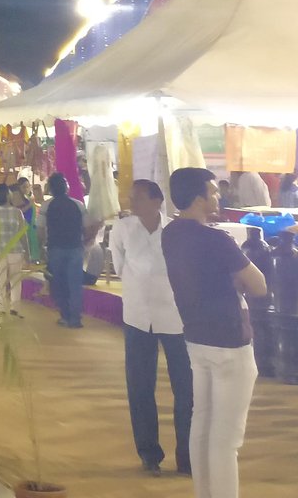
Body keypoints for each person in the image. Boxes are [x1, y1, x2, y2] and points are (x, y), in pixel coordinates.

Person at [162, 168, 265, 498]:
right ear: (198, 198)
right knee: (226, 439)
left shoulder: (171, 234)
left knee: (203, 426)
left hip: (197, 337)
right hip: (229, 341)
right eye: (213, 191)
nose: (218, 196)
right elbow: (259, 284)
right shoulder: (216, 239)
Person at [111, 178, 192, 477]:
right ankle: (148, 453)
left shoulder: (175, 231)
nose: (133, 204)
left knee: (185, 389)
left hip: (174, 317)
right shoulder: (122, 230)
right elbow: (120, 267)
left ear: (158, 201)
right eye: (131, 198)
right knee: (140, 387)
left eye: (140, 198)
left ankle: (187, 456)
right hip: (137, 317)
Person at [44, 172, 86, 328]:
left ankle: (65, 315)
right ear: (66, 187)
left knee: (59, 283)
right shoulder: (78, 205)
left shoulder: (46, 206)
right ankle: (75, 318)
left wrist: (43, 248)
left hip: (55, 249)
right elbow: (86, 227)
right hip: (75, 247)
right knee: (75, 284)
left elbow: (41, 230)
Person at [0, 183, 29, 316]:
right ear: (6, 195)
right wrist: (28, 253)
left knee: (0, 282)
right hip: (16, 251)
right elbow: (23, 234)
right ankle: (15, 308)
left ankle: (0, 308)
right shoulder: (17, 212)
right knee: (16, 280)